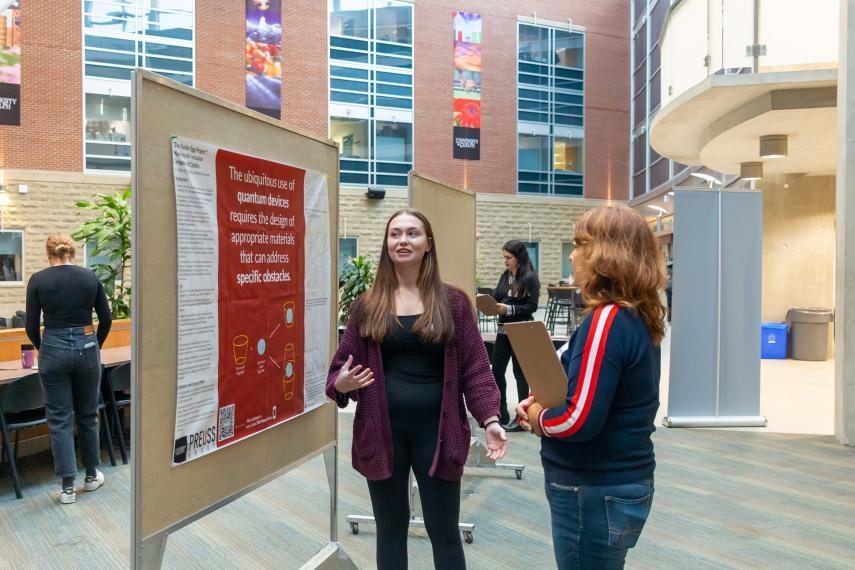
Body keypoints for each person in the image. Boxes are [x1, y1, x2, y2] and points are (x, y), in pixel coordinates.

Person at [327, 209, 506, 570]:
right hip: (382, 432)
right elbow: (338, 370)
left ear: (428, 245)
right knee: (390, 531)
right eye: (395, 234)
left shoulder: (453, 302)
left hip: (437, 434)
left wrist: (490, 419)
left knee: (444, 532)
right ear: (386, 245)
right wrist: (342, 384)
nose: (402, 241)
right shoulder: (368, 305)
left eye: (412, 233)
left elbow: (475, 367)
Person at [515, 205, 666, 569]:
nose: (573, 254)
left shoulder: (607, 320)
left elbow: (578, 420)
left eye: (580, 244)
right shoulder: (638, 316)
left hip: (593, 488)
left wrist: (538, 417)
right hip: (619, 483)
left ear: (605, 254)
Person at [25, 234, 112, 504]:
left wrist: (47, 347)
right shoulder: (90, 277)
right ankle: (90, 476)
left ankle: (66, 488)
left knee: (59, 418)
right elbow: (107, 318)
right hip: (87, 346)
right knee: (87, 414)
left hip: (52, 347)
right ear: (72, 252)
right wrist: (94, 344)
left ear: (48, 253)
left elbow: (30, 325)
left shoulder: (38, 280)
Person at [490, 239, 540, 431]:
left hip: (522, 330)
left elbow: (531, 306)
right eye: (503, 257)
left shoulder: (529, 278)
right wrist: (487, 302)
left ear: (518, 257)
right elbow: (497, 295)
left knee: (520, 373)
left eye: (508, 257)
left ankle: (522, 417)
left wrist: (508, 309)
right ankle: (501, 413)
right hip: (503, 330)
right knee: (497, 371)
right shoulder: (506, 276)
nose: (505, 261)